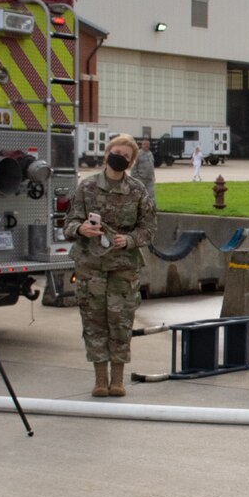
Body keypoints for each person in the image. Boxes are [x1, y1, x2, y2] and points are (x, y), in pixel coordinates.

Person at [67, 134, 156, 396]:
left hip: (123, 267)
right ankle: (99, 379)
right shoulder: (87, 187)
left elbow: (149, 228)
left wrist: (128, 239)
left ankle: (117, 379)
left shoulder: (137, 189)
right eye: (117, 152)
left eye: (126, 156)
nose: (120, 158)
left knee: (120, 321)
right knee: (94, 322)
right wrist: (81, 228)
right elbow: (69, 223)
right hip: (91, 266)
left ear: (131, 162)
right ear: (107, 154)